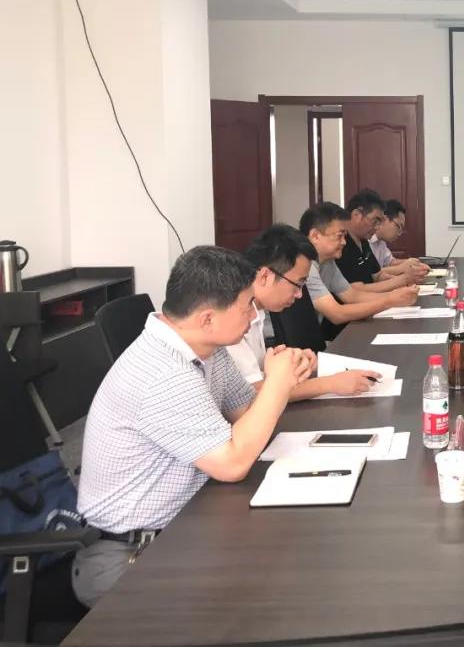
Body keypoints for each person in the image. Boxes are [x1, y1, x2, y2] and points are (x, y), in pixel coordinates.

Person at [73, 246, 309, 606]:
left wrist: (286, 377)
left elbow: (246, 414)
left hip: (188, 522)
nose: (254, 314)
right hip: (130, 556)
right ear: (207, 319)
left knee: (293, 555)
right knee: (275, 592)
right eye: (247, 305)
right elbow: (232, 464)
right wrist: (278, 383)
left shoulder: (208, 349)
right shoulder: (162, 372)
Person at [227, 224, 381, 398]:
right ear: (265, 276)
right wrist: (330, 384)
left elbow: (262, 376)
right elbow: (254, 392)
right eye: (298, 284)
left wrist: (291, 362)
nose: (299, 294)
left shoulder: (258, 311)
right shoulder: (232, 317)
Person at [300, 202, 418, 333]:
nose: (344, 242)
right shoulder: (304, 265)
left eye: (345, 236)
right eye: (339, 236)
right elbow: (336, 314)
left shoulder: (328, 262)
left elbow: (352, 296)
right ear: (315, 236)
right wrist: (388, 301)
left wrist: (396, 296)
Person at [370, 199, 430, 277]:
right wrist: (401, 268)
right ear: (384, 219)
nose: (399, 233)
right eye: (398, 226)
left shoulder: (381, 242)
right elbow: (370, 273)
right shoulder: (365, 240)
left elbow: (390, 262)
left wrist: (411, 262)